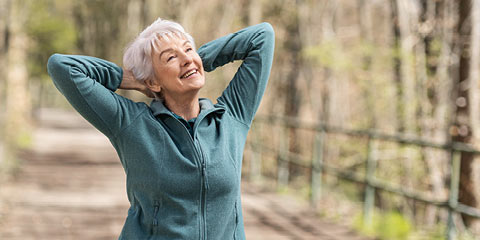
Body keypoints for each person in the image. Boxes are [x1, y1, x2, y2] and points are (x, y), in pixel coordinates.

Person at [47, 18, 274, 239]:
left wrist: (196, 61)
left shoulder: (231, 117)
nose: (185, 58)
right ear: (153, 82)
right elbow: (62, 67)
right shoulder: (132, 123)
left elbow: (262, 36)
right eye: (171, 58)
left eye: (188, 49)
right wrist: (130, 78)